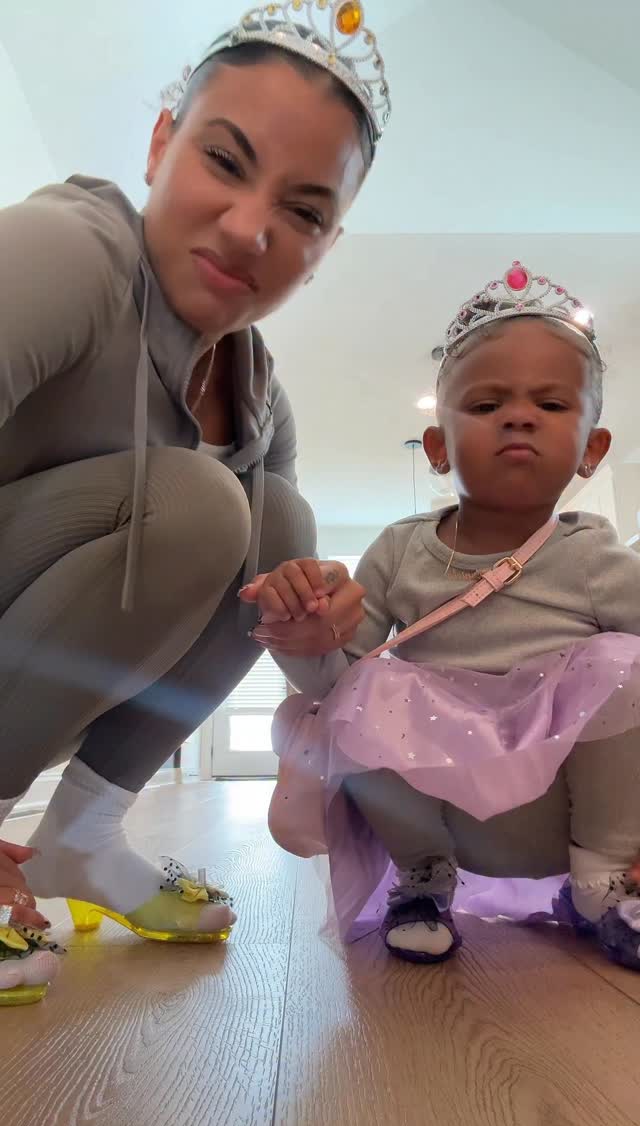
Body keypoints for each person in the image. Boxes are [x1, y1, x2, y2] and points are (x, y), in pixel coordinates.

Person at [0, 0, 389, 1004]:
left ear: (328, 245)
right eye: (223, 159)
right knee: (205, 505)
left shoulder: (260, 401)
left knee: (279, 525)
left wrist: (322, 630)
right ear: (160, 143)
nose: (251, 228)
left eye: (304, 213)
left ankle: (84, 833)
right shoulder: (65, 251)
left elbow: (307, 664)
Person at [254, 262, 640, 971]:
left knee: (625, 664)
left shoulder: (596, 557)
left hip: (559, 819)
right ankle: (422, 881)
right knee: (362, 689)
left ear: (592, 449)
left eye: (552, 404)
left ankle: (604, 883)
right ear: (437, 449)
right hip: (442, 819)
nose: (519, 416)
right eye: (486, 404)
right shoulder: (401, 550)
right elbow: (334, 688)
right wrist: (304, 635)